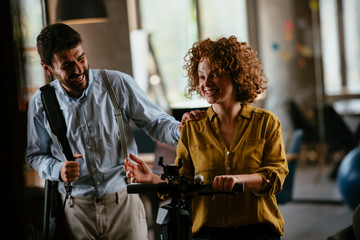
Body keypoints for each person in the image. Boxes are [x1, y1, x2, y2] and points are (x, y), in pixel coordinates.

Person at [27, 23, 200, 240]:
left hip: (124, 203)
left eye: (81, 58)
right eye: (67, 65)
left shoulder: (117, 84)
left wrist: (180, 130)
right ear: (47, 68)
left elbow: (156, 123)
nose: (79, 69)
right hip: (75, 211)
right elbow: (35, 156)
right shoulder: (41, 102)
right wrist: (57, 169)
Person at [125, 36, 289, 240]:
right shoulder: (192, 128)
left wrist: (239, 180)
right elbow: (183, 183)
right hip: (209, 233)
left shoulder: (267, 122)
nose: (206, 83)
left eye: (215, 75)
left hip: (258, 230)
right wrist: (152, 178)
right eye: (202, 77)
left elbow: (275, 176)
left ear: (237, 75)